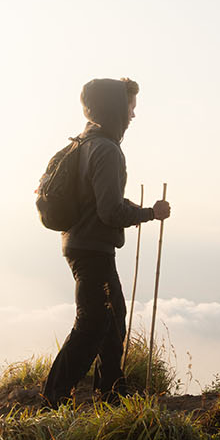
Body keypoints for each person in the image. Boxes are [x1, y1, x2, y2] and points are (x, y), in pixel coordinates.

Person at [43, 77, 170, 406]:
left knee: (113, 319)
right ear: (116, 107)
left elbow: (102, 205)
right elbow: (110, 211)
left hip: (81, 244)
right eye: (130, 107)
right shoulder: (107, 150)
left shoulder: (84, 143)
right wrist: (149, 213)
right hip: (91, 248)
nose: (132, 115)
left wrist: (144, 212)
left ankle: (112, 394)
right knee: (93, 324)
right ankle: (53, 399)